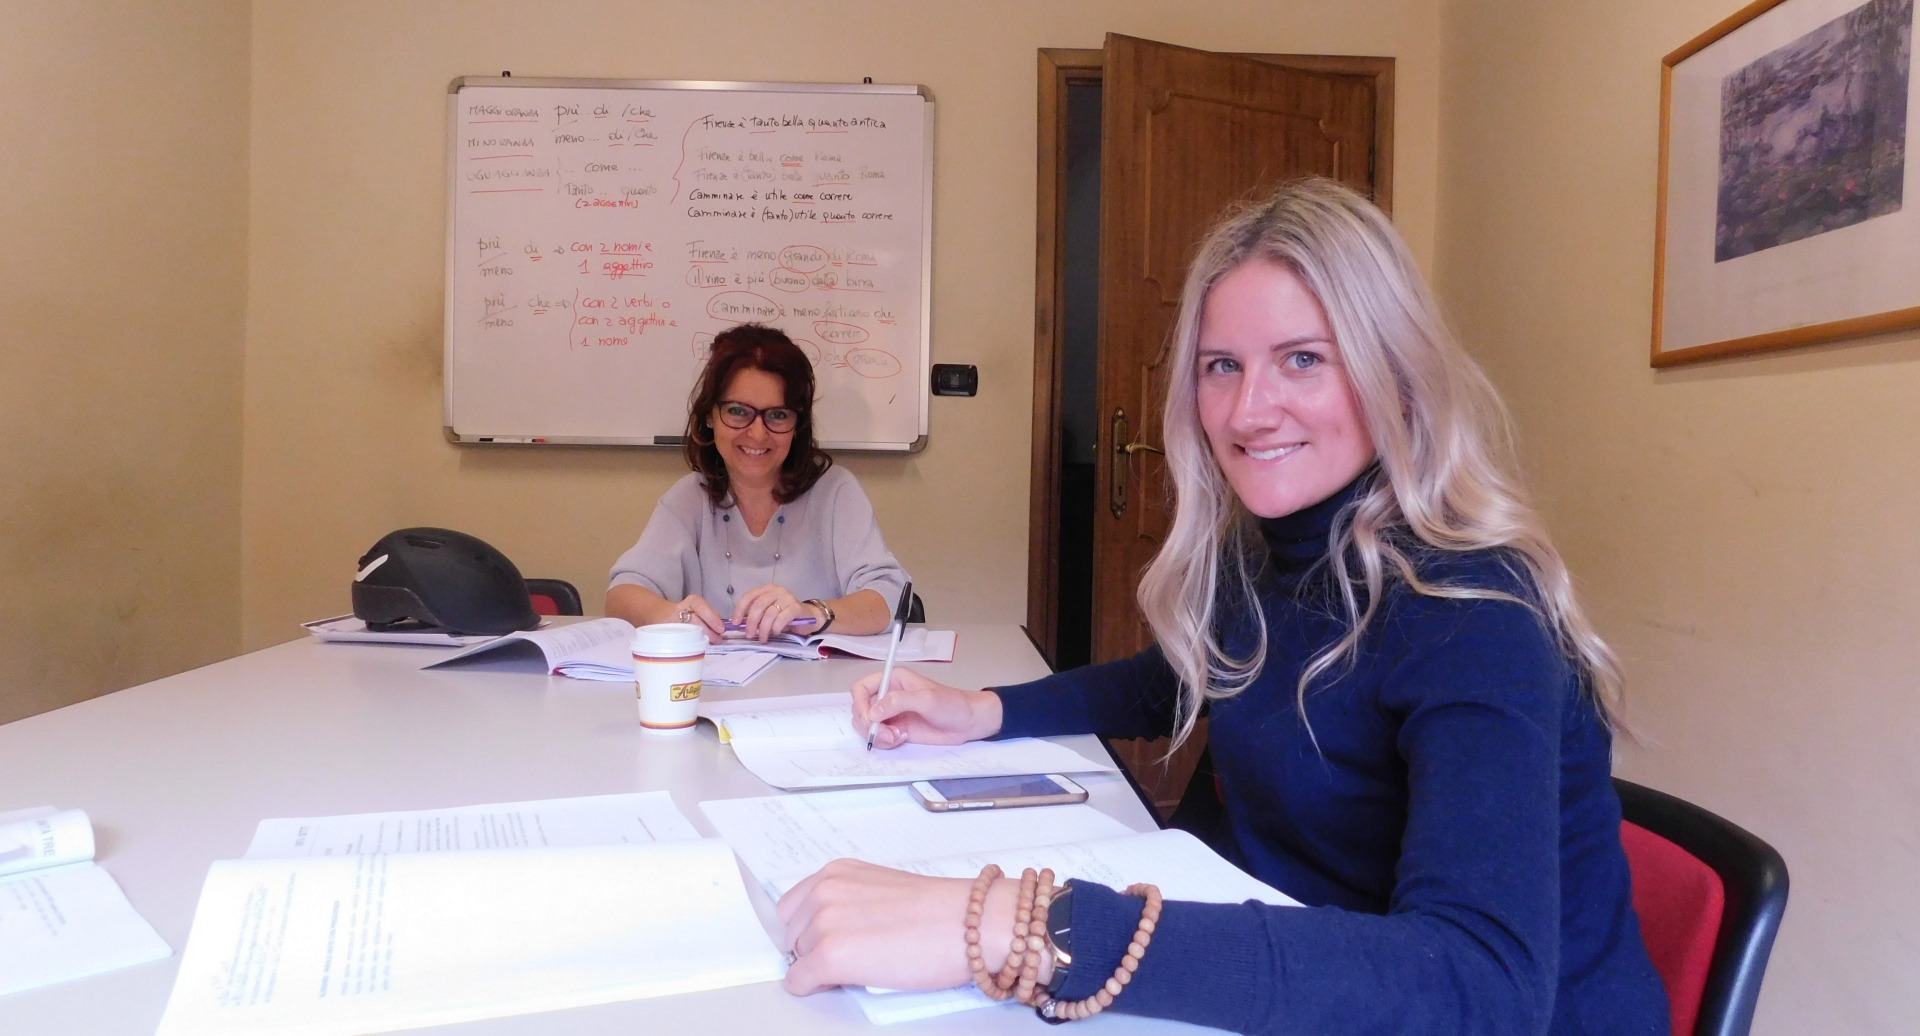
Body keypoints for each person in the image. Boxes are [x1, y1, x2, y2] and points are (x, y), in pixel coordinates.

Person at [774, 180, 1668, 1034]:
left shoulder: (1474, 612)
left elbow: (1482, 983)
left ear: (1394, 370)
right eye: (1221, 367)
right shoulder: (1271, 553)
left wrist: (1027, 923)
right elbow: (1192, 675)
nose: (1249, 410)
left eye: (1303, 360)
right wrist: (984, 711)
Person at [606, 323, 907, 642]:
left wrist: (811, 613)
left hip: (819, 686)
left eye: (777, 415)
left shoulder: (836, 492)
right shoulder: (688, 499)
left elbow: (889, 596)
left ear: (797, 424)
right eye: (738, 411)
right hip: (713, 687)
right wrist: (671, 616)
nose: (758, 433)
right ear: (710, 415)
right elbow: (622, 595)